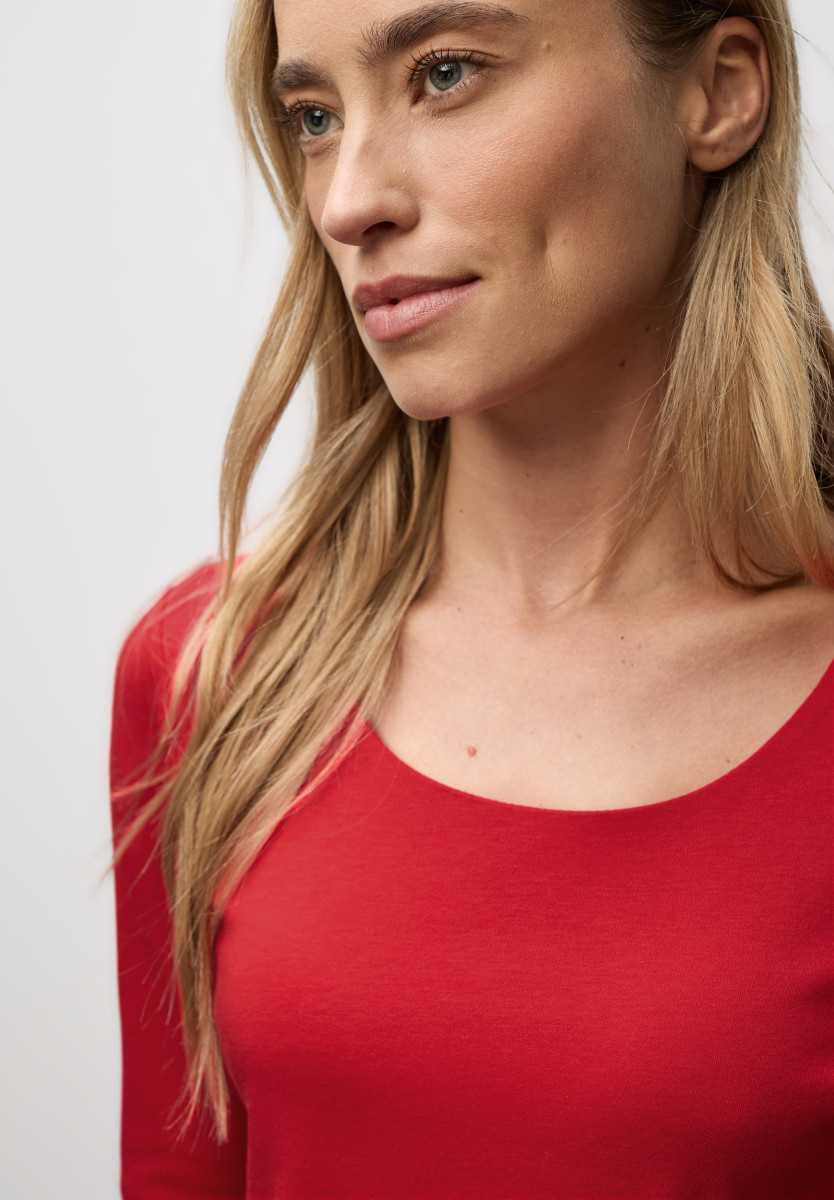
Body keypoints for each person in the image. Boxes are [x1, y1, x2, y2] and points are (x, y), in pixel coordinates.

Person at [108, 0, 834, 1196]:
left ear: (718, 91)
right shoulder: (215, 674)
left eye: (445, 74)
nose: (347, 202)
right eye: (313, 117)